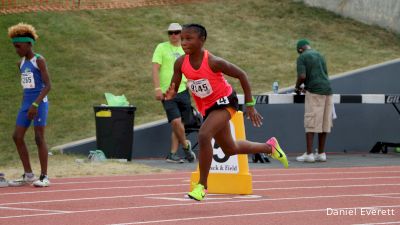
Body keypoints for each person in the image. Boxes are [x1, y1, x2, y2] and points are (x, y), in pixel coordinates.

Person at [165, 24, 289, 201]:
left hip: (225, 102)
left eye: (189, 38)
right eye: (182, 38)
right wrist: (169, 93)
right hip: (208, 107)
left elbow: (242, 75)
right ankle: (269, 147)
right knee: (230, 149)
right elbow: (174, 86)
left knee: (204, 134)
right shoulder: (180, 63)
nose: (184, 42)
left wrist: (250, 105)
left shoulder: (213, 62)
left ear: (202, 40)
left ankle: (201, 186)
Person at [7, 23, 52, 187]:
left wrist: (35, 104)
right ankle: (28, 175)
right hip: (26, 104)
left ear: (28, 44)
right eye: (14, 46)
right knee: (17, 136)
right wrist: (27, 104)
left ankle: (44, 176)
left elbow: (48, 86)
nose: (16, 50)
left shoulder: (39, 60)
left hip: (39, 104)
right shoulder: (20, 64)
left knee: (39, 138)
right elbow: (28, 86)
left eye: (18, 46)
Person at [152, 23, 196, 163]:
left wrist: (192, 84)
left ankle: (172, 154)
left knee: (180, 124)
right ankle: (186, 146)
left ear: (181, 33)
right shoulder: (161, 47)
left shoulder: (186, 49)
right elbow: (155, 69)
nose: (174, 35)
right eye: (170, 33)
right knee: (176, 121)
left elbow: (192, 68)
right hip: (168, 92)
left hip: (183, 90)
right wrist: (157, 89)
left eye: (177, 32)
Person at [294, 39, 333, 163]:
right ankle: (321, 153)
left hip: (315, 92)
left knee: (311, 122)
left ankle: (309, 154)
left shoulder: (302, 57)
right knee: (324, 123)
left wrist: (297, 87)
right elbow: (324, 74)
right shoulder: (320, 55)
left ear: (300, 49)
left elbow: (302, 76)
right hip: (328, 90)